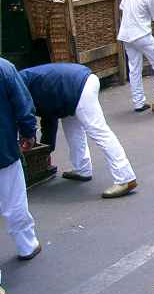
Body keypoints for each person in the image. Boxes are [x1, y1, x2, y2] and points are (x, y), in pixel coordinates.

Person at [19, 63, 137, 199]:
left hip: (77, 86)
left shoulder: (18, 87)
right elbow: (48, 115)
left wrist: (44, 147)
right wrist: (47, 148)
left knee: (99, 131)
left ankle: (125, 178)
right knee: (72, 128)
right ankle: (82, 169)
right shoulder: (20, 81)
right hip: (73, 86)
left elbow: (32, 117)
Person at [0, 58, 42, 294]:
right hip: (3, 150)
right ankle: (27, 245)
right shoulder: (3, 68)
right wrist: (28, 132)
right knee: (14, 200)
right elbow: (23, 105)